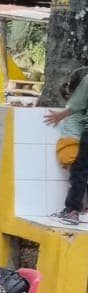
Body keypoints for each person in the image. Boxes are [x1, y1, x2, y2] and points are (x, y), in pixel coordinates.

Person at [45, 67, 88, 224]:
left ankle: (72, 211)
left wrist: (58, 116)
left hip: (79, 140)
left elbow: (74, 106)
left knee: (79, 174)